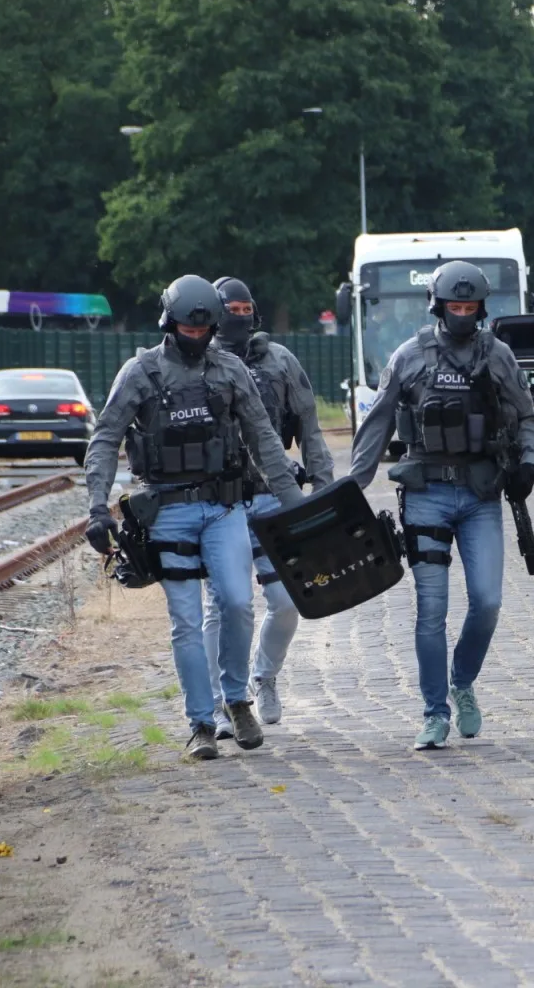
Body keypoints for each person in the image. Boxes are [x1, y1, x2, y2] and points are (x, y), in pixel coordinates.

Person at [82, 274, 306, 761]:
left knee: (237, 603)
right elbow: (105, 437)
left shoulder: (229, 370)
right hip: (167, 512)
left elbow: (264, 439)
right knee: (185, 620)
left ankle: (237, 699)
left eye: (205, 330)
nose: (197, 337)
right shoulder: (140, 373)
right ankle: (201, 723)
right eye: (189, 329)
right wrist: (97, 507)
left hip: (224, 507)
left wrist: (295, 504)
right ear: (170, 323)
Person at [350, 260, 534, 750]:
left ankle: (462, 681)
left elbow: (528, 417)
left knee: (488, 601)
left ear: (481, 309)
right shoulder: (408, 356)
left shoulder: (497, 355)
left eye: (470, 307)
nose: (462, 314)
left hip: (481, 495)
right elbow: (377, 423)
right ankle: (434, 712)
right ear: (438, 306)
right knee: (430, 610)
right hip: (426, 495)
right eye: (454, 306)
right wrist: (350, 490)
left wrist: (529, 464)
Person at [201, 277, 335, 737]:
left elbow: (309, 425)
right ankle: (219, 703)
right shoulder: (199, 363)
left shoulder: (280, 361)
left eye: (246, 309)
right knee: (221, 606)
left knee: (286, 601)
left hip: (273, 498)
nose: (239, 317)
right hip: (220, 504)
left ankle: (264, 675)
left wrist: (323, 485)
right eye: (230, 309)